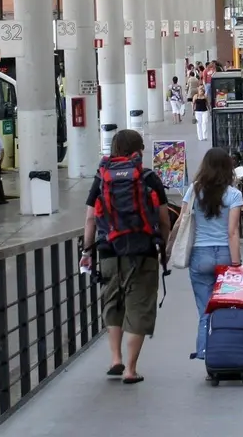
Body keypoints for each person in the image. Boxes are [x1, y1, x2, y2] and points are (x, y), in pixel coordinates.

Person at [81, 129, 172, 385]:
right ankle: (131, 369)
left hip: (108, 249)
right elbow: (164, 220)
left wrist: (87, 251)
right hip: (143, 251)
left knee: (113, 303)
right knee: (138, 306)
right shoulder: (148, 177)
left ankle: (115, 359)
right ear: (138, 150)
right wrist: (163, 249)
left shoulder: (102, 178)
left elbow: (90, 218)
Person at [169, 148, 243, 367]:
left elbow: (181, 221)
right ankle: (227, 351)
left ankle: (204, 352)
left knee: (205, 309)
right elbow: (233, 232)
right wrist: (237, 264)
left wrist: (168, 248)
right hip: (224, 255)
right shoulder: (234, 195)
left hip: (200, 256)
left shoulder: (193, 190)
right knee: (227, 307)